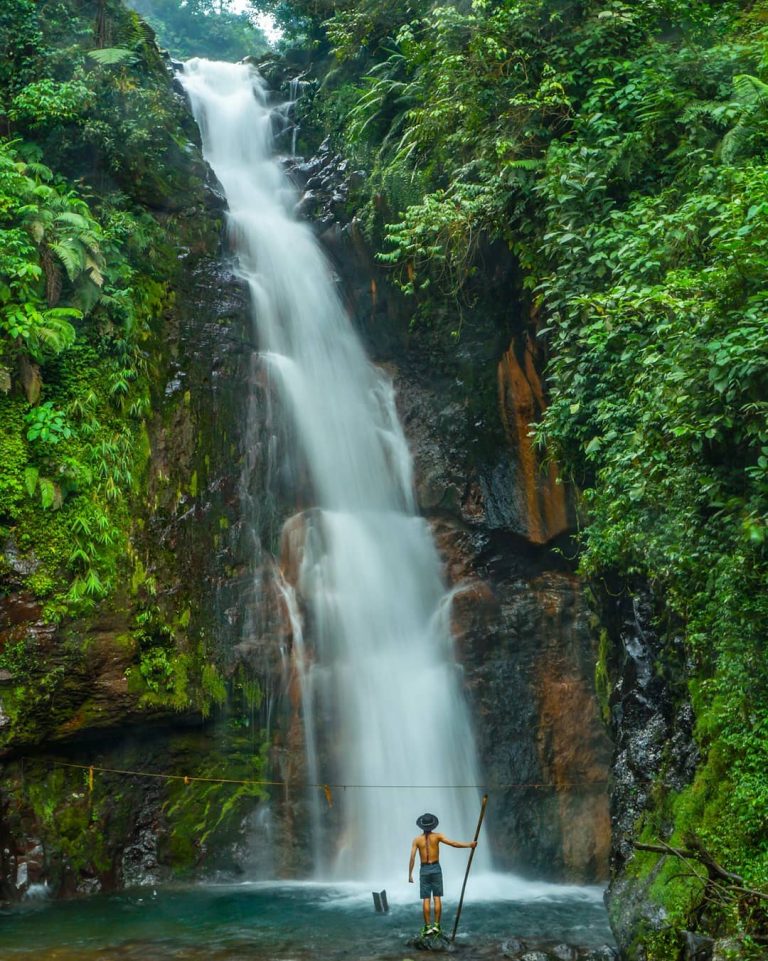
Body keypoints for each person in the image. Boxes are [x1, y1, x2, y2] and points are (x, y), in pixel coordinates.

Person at [408, 812, 477, 937]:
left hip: (424, 870)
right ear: (433, 825)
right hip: (436, 868)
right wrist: (469, 845)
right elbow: (453, 844)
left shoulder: (417, 840)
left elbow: (412, 857)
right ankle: (436, 926)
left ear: (422, 826)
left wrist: (410, 874)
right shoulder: (438, 836)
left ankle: (427, 927)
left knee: (426, 899)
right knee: (437, 897)